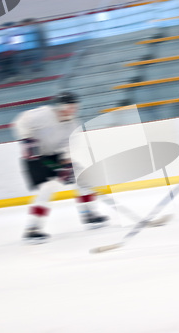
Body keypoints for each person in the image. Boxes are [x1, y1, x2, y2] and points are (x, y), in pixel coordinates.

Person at [12, 92, 108, 243]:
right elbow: (21, 121)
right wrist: (26, 140)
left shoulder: (73, 124)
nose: (72, 110)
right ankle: (32, 228)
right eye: (69, 107)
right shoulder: (43, 114)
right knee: (47, 189)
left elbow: (67, 146)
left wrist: (66, 163)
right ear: (59, 106)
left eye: (74, 107)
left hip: (54, 156)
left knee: (82, 175)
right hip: (34, 157)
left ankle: (89, 214)